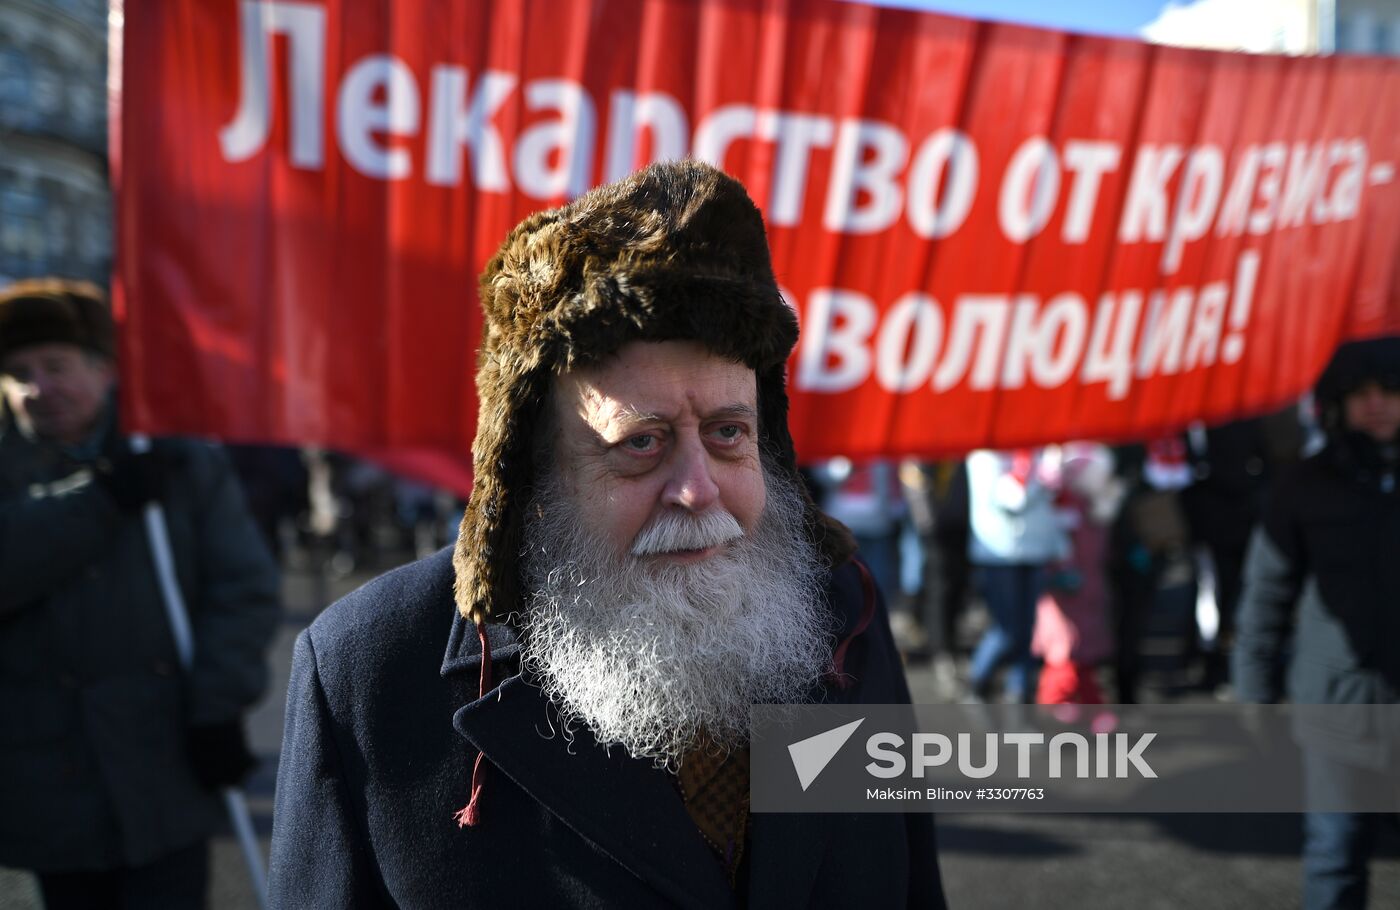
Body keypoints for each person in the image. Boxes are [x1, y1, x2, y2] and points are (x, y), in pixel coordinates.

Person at [268, 161, 946, 908]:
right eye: (640, 444)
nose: (698, 489)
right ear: (534, 476)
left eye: (728, 433)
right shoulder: (366, 672)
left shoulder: (845, 613)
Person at [0, 280, 281, 909]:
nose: (37, 389)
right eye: (18, 373)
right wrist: (100, 502)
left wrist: (215, 705)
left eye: (55, 366)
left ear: (103, 369)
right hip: (46, 775)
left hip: (164, 763)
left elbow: (244, 586)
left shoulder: (173, 458)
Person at [1233, 336, 1400, 910]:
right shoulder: (1302, 485)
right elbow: (1267, 591)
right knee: (1335, 854)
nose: (1375, 404)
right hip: (1335, 706)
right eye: (1360, 393)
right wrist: (1254, 690)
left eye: (1388, 391)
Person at [963, 447, 1070, 702]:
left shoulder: (1038, 451)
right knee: (1006, 630)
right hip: (1001, 553)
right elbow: (1013, 500)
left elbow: (1048, 507)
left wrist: (1058, 546)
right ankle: (977, 683)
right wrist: (1043, 478)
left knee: (1027, 631)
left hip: (1034, 550)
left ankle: (1019, 693)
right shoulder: (987, 455)